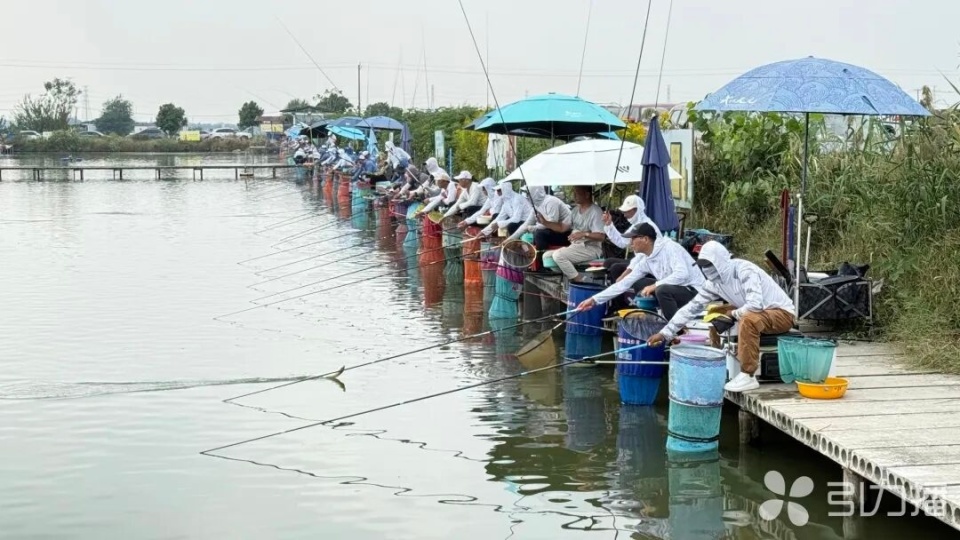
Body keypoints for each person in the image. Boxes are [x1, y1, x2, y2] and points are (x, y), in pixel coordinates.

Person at [647, 241, 796, 393]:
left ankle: (748, 374)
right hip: (755, 312)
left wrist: (732, 314)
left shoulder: (744, 270)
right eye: (703, 265)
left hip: (782, 314)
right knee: (715, 313)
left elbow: (755, 305)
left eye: (709, 264)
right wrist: (665, 333)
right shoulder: (713, 283)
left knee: (748, 319)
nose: (707, 269)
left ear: (721, 261)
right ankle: (717, 364)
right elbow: (690, 309)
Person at [576, 223, 702, 318]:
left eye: (633, 239)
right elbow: (623, 284)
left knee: (661, 289)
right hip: (676, 290)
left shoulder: (670, 248)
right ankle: (655, 317)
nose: (631, 243)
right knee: (640, 284)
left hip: (694, 291)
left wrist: (654, 285)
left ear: (645, 239)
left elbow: (682, 274)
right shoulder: (646, 260)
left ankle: (675, 330)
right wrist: (593, 300)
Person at [547, 186, 607, 281]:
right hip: (575, 247)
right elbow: (562, 227)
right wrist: (545, 223)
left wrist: (583, 234)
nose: (574, 195)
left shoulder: (596, 211)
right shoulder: (575, 210)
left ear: (587, 194)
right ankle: (570, 277)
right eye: (573, 193)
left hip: (590, 249)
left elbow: (601, 236)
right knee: (546, 257)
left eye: (577, 193)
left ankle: (580, 281)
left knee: (558, 256)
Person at [603, 194, 662, 283]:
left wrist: (624, 275)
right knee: (609, 262)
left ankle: (618, 293)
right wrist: (609, 224)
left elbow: (641, 259)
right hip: (639, 260)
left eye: (626, 211)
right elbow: (622, 242)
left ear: (636, 210)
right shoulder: (636, 225)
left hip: (650, 264)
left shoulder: (646, 227)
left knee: (616, 268)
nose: (624, 215)